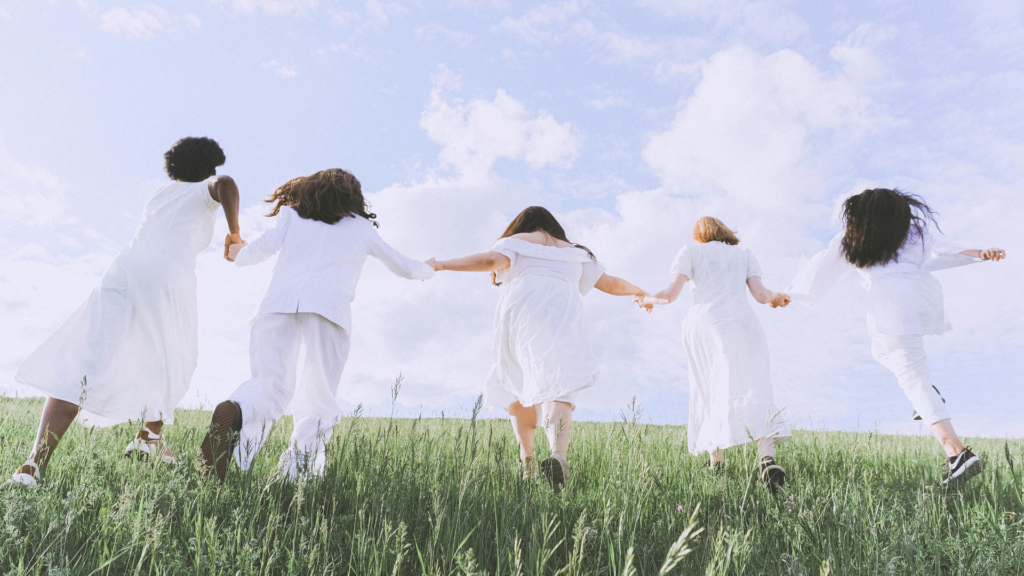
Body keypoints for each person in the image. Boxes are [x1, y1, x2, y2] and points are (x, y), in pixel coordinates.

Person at [8, 137, 242, 487]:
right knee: (172, 354)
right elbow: (225, 185)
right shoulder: (203, 190)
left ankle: (32, 465)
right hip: (166, 278)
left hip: (122, 273)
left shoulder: (159, 197)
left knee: (84, 363)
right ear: (207, 168)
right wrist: (235, 232)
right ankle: (150, 436)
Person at [199, 168, 434, 482]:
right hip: (328, 309)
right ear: (355, 197)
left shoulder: (292, 217)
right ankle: (294, 479)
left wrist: (237, 252)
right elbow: (403, 266)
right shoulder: (361, 227)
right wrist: (429, 269)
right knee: (318, 397)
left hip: (276, 305)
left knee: (271, 382)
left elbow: (260, 249)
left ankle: (238, 409)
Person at [787, 188, 1006, 486]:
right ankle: (928, 393)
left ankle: (956, 453)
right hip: (919, 297)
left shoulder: (853, 237)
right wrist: (979, 253)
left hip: (888, 304)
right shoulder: (911, 233)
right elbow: (941, 248)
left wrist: (789, 294)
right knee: (884, 354)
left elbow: (823, 265)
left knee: (911, 375)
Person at [427, 206, 648, 493]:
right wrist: (641, 293)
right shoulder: (576, 252)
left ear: (522, 225)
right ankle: (558, 454)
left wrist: (441, 264)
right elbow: (611, 283)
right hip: (563, 317)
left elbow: (488, 260)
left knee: (517, 382)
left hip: (522, 315)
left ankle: (527, 458)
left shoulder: (517, 242)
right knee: (559, 387)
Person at [637, 217, 792, 489]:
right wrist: (778, 297)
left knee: (709, 386)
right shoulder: (744, 255)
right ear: (725, 232)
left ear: (699, 235)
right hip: (744, 324)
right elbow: (761, 295)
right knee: (756, 386)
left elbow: (670, 295)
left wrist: (647, 299)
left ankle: (716, 461)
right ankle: (767, 460)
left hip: (705, 323)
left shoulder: (691, 251)